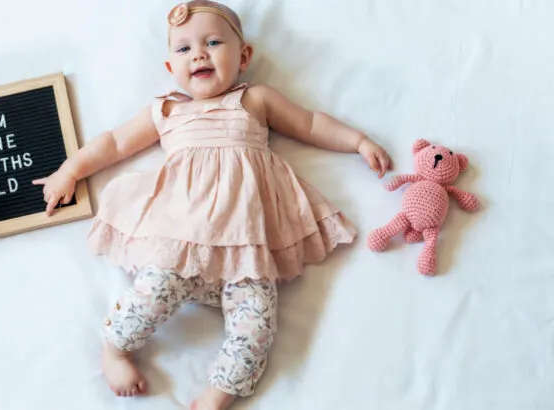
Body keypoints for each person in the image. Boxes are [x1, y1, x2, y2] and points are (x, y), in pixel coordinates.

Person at [32, 1, 393, 408]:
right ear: (171, 68)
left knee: (256, 326)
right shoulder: (167, 110)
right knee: (148, 297)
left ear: (243, 56)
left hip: (248, 248)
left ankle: (221, 390)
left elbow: (310, 123)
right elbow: (114, 143)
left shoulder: (255, 100)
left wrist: (359, 142)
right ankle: (115, 349)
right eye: (183, 49)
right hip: (181, 242)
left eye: (213, 42)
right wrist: (70, 170)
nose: (198, 53)